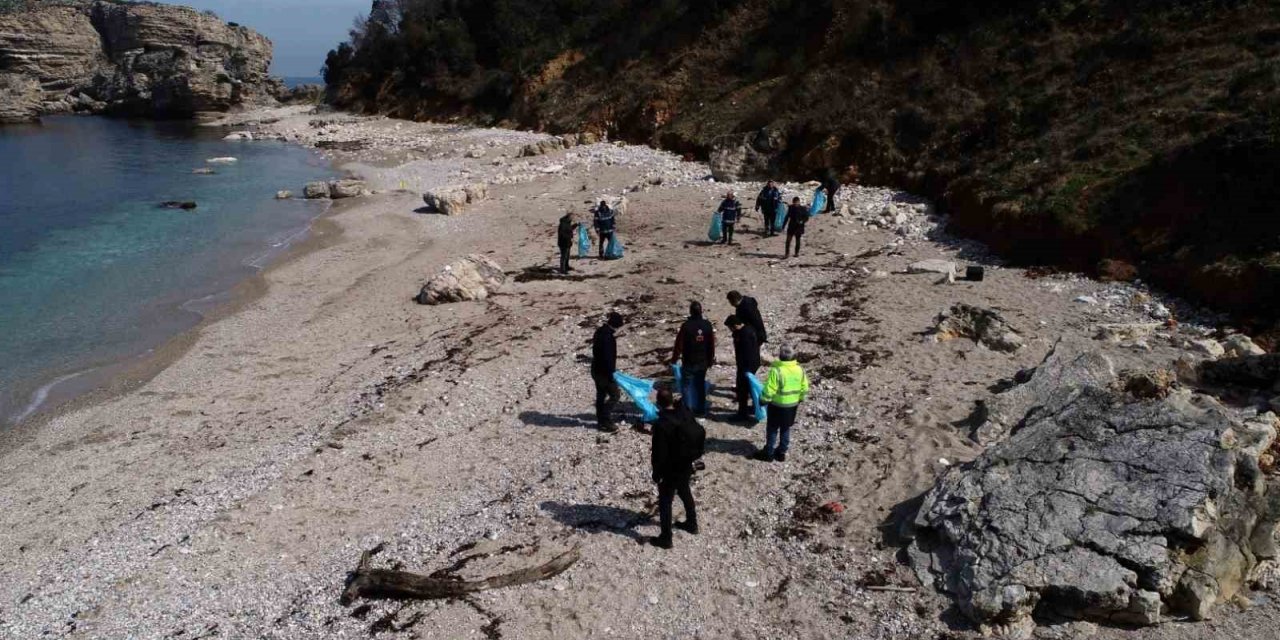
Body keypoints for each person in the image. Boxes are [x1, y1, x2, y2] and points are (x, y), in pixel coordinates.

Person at [648, 388, 704, 549]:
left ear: (658, 404)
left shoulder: (661, 425)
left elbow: (659, 453)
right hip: (687, 463)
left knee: (665, 502)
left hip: (670, 469)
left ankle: (666, 537)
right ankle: (692, 523)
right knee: (685, 491)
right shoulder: (685, 413)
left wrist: (656, 473)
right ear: (672, 400)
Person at [754, 344, 810, 462]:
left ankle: (768, 453)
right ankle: (781, 452)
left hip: (777, 405)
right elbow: (805, 387)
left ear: (780, 356)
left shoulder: (777, 370)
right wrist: (800, 398)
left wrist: (763, 400)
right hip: (792, 405)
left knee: (772, 428)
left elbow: (770, 389)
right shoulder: (799, 369)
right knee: (785, 428)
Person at [670, 301, 715, 417]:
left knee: (686, 386)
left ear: (690, 312)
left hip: (689, 361)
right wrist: (710, 360)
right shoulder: (707, 325)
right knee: (700, 385)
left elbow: (678, 344)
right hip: (703, 361)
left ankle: (688, 410)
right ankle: (701, 410)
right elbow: (711, 344)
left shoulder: (686, 326)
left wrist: (674, 360)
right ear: (701, 311)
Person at [592, 312, 625, 432]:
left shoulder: (599, 332)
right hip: (604, 373)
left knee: (600, 395)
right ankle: (606, 420)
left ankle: (600, 420)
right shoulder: (608, 337)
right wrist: (612, 375)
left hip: (596, 369)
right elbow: (608, 358)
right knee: (615, 395)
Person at [725, 315, 762, 423]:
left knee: (743, 390)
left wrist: (745, 370)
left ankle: (742, 414)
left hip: (746, 366)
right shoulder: (749, 329)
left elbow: (746, 353)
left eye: (730, 327)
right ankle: (754, 408)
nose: (730, 330)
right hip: (752, 364)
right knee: (750, 388)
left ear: (735, 325)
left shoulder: (744, 335)